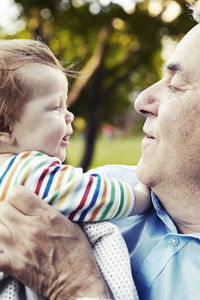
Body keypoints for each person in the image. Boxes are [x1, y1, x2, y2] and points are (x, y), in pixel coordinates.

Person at [0, 3, 199, 300]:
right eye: (55, 108)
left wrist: (77, 288)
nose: (142, 100)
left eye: (176, 84)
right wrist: (139, 198)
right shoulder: (107, 184)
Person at [0, 39, 151, 299]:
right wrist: (142, 194)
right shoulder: (28, 171)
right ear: (5, 128)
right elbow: (93, 193)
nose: (69, 115)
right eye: (56, 107)